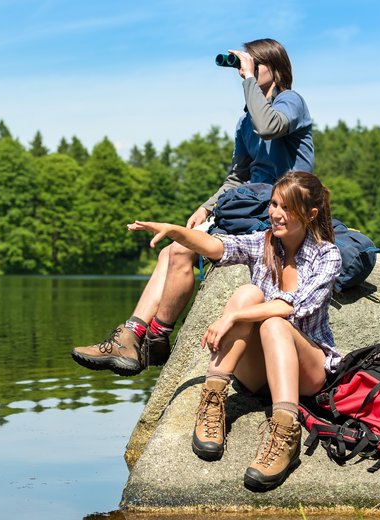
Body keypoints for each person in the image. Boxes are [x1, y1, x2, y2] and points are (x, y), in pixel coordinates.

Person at [71, 38, 314, 377]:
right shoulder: (245, 122)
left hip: (282, 211)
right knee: (171, 251)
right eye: (244, 68)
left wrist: (247, 81)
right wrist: (207, 207)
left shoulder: (291, 102)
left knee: (182, 252)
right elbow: (237, 177)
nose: (245, 72)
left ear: (275, 69)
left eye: (253, 66)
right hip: (249, 208)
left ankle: (155, 337)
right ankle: (133, 334)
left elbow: (269, 127)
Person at [128, 171, 341, 491]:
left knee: (272, 321)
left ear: (311, 213)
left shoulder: (327, 256)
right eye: (273, 204)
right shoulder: (264, 242)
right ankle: (213, 401)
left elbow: (291, 307)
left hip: (305, 374)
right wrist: (175, 231)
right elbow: (216, 246)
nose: (275, 213)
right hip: (258, 375)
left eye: (287, 206)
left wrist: (233, 317)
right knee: (248, 294)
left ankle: (285, 431)